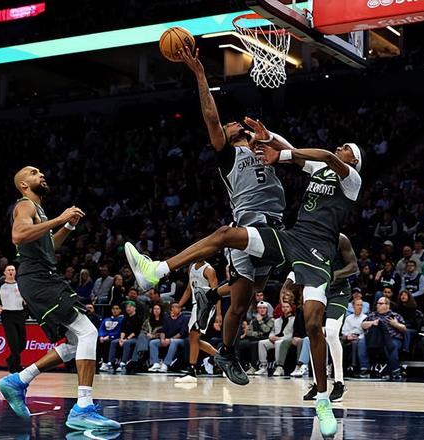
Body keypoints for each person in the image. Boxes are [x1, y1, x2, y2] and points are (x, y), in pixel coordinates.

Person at [125, 117, 363, 437]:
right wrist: (268, 136)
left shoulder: (351, 179)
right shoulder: (319, 170)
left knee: (312, 324)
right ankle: (157, 271)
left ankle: (323, 399)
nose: (340, 148)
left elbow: (323, 156)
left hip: (319, 254)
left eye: (347, 148)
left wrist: (282, 154)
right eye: (341, 146)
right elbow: (292, 150)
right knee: (227, 234)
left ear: (354, 161)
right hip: (290, 238)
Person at [127, 45, 287, 389]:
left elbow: (295, 153)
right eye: (228, 125)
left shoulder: (265, 148)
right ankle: (159, 270)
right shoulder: (227, 155)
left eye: (232, 123)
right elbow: (212, 117)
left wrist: (268, 138)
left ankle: (222, 337)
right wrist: (200, 73)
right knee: (228, 251)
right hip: (249, 228)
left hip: (274, 227)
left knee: (247, 298)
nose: (231, 123)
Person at [0, 166, 119, 431]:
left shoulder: (38, 211)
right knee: (88, 333)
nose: (40, 174)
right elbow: (18, 235)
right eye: (33, 173)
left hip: (43, 276)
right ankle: (83, 408)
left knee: (76, 342)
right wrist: (59, 218)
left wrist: (68, 226)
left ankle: (18, 380)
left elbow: (48, 247)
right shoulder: (25, 205)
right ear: (23, 185)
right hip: (38, 278)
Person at [301, 233, 358, 402]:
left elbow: (353, 266)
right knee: (313, 334)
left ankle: (339, 383)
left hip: (338, 290)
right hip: (317, 289)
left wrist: (334, 274)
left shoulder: (341, 239)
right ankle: (318, 384)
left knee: (332, 333)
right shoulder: (308, 238)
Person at [174, 261, 220, 383]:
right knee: (193, 339)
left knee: (194, 336)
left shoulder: (209, 270)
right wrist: (179, 305)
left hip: (206, 304)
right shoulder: (191, 268)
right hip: (196, 305)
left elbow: (217, 293)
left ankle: (192, 371)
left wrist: (219, 314)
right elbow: (188, 289)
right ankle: (222, 359)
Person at [0, 264, 26, 373]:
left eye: (12, 270)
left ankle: (10, 360)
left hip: (20, 314)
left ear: (15, 272)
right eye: (8, 270)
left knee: (22, 344)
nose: (11, 271)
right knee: (13, 343)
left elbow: (26, 298)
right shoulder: (0, 286)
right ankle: (15, 367)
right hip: (7, 315)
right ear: (5, 273)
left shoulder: (21, 285)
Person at [362, 297, 406, 380]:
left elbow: (404, 328)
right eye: (377, 303)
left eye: (380, 303)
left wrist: (395, 324)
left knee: (392, 345)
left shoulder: (394, 315)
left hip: (392, 338)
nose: (377, 305)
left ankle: (395, 370)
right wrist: (372, 323)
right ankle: (365, 369)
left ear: (387, 305)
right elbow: (363, 324)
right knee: (361, 342)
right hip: (376, 339)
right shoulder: (372, 315)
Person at [98, 304, 124, 371]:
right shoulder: (106, 319)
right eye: (113, 309)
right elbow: (101, 328)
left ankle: (106, 362)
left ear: (120, 310)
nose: (115, 310)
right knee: (97, 341)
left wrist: (109, 336)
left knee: (108, 342)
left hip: (115, 337)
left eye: (117, 309)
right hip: (104, 337)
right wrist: (101, 336)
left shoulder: (122, 320)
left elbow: (119, 331)